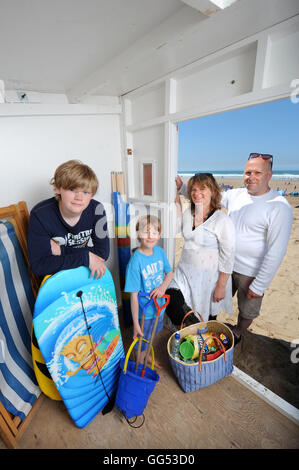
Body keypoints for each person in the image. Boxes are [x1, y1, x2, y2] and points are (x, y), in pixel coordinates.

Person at [176, 153, 293, 344]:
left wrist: (260, 284)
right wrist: (181, 187)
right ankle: (209, 326)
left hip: (251, 272)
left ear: (269, 175)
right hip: (222, 266)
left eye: (257, 172)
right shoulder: (237, 194)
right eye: (248, 172)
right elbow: (206, 196)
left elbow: (277, 250)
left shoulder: (279, 207)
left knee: (247, 309)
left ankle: (238, 331)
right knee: (213, 301)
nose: (251, 177)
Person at [166, 173, 235, 327]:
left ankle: (202, 344)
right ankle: (188, 335)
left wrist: (221, 287)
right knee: (171, 300)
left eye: (202, 189)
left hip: (209, 279)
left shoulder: (222, 220)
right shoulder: (188, 214)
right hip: (184, 273)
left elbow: (228, 257)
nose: (197, 193)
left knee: (207, 319)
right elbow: (176, 225)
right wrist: (176, 194)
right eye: (193, 189)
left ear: (213, 192)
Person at [27, 159, 109, 279]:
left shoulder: (97, 209)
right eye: (72, 190)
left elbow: (102, 254)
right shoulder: (40, 214)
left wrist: (61, 250)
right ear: (57, 188)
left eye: (86, 192)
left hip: (85, 275)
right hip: (54, 279)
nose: (79, 197)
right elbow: (39, 266)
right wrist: (86, 257)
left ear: (92, 195)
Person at [124, 215, 173, 368]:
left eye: (154, 232)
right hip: (144, 312)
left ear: (159, 235)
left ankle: (145, 355)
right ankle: (139, 360)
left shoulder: (159, 252)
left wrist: (162, 287)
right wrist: (136, 323)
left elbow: (169, 273)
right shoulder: (135, 262)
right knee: (141, 338)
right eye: (146, 232)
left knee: (153, 333)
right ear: (138, 234)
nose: (150, 236)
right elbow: (133, 296)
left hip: (159, 307)